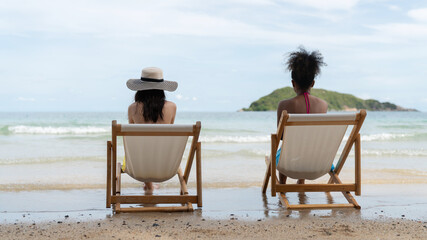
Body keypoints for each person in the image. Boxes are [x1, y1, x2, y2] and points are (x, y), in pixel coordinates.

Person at [276, 47, 328, 184]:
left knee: (285, 151)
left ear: (293, 83)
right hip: (316, 162)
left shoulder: (283, 105)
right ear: (313, 83)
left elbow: (280, 137)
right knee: (308, 145)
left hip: (289, 163)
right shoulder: (323, 105)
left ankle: (282, 185)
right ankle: (301, 183)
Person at [125, 67, 178, 193]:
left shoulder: (133, 108)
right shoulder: (172, 107)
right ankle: (152, 185)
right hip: (166, 164)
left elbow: (133, 137)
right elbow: (168, 133)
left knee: (142, 147)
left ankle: (149, 185)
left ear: (140, 88)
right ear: (162, 88)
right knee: (158, 145)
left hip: (139, 166)